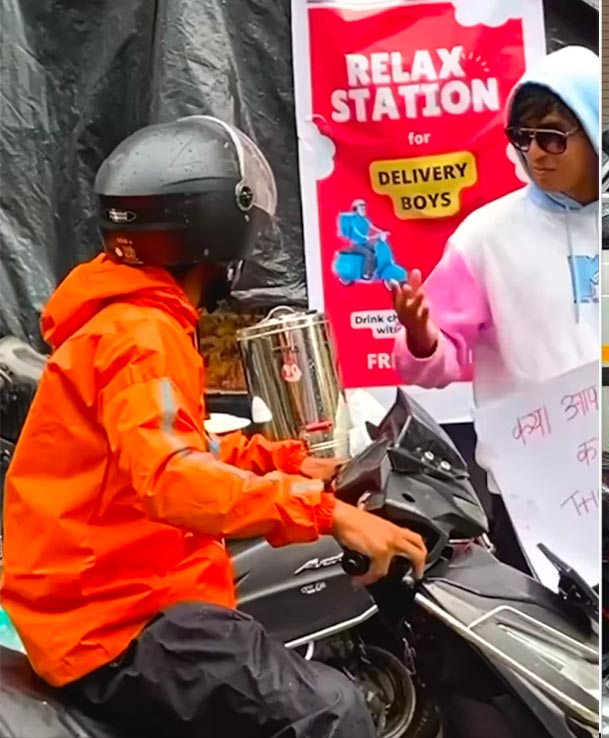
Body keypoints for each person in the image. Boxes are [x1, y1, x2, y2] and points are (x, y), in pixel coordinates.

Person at [0, 116, 427, 738]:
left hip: (104, 606)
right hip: (121, 624)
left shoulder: (128, 321)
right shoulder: (142, 334)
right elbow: (171, 479)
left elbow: (173, 443)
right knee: (335, 711)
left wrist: (283, 463)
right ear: (218, 229)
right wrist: (328, 513)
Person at [390, 46, 600, 573]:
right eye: (522, 138)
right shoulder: (486, 237)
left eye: (552, 136)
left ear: (597, 129)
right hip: (531, 494)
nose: (536, 154)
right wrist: (420, 334)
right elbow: (434, 358)